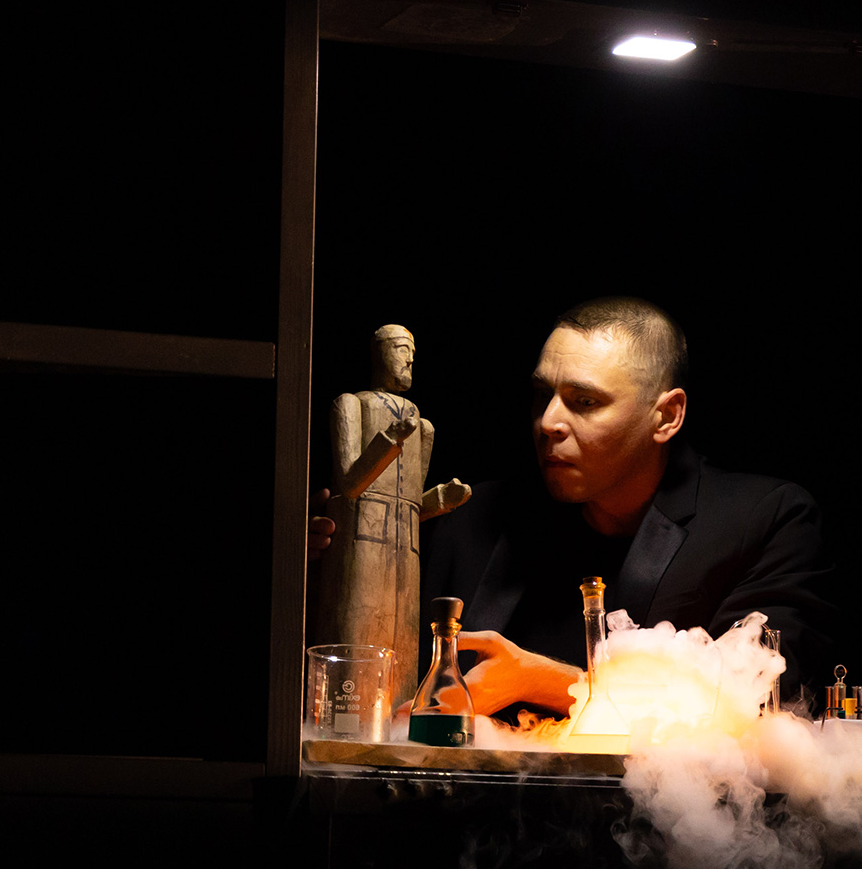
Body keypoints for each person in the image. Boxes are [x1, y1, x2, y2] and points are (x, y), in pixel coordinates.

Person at [317, 297, 834, 719]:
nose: (548, 422)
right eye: (542, 394)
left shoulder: (766, 520)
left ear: (666, 416)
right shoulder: (471, 514)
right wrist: (319, 568)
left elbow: (757, 707)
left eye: (585, 401)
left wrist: (541, 680)